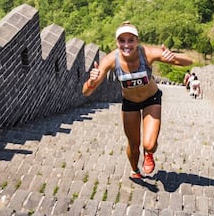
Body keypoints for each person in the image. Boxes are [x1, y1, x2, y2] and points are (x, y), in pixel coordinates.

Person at [82, 21, 193, 179]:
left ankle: (149, 152)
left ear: (137, 41)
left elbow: (189, 62)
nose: (126, 45)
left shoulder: (147, 53)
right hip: (130, 104)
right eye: (122, 40)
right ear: (116, 42)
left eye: (131, 40)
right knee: (134, 146)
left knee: (149, 144)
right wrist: (91, 82)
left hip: (151, 100)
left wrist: (175, 57)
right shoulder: (111, 60)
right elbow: (86, 92)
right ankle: (135, 169)